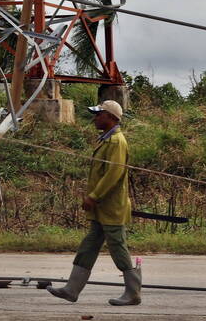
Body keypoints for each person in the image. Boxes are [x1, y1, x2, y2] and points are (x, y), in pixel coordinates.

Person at [47, 99, 140, 306]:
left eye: (99, 114)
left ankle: (133, 292)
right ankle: (72, 289)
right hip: (102, 208)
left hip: (111, 207)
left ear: (111, 118)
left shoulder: (116, 142)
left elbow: (113, 174)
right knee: (89, 246)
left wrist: (94, 196)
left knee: (118, 248)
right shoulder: (105, 140)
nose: (95, 118)